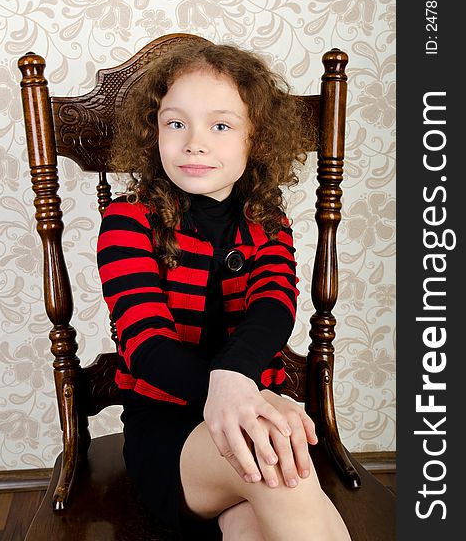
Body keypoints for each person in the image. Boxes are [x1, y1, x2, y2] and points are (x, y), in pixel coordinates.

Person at [97, 38, 352, 540]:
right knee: (280, 466)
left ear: (255, 139)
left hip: (251, 407)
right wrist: (244, 396)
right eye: (176, 123)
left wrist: (242, 387)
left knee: (254, 523)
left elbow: (274, 308)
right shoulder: (126, 221)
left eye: (220, 125)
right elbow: (146, 345)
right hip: (168, 430)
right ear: (155, 135)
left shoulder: (269, 222)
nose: (195, 142)